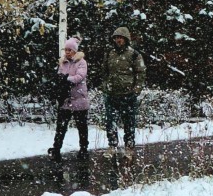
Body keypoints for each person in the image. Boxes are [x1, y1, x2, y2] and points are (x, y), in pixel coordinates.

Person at [98, 26, 146, 158]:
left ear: (126, 39)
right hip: (112, 94)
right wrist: (105, 87)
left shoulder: (134, 54)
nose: (118, 40)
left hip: (128, 95)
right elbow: (104, 72)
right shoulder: (109, 54)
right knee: (110, 121)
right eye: (116, 38)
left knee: (129, 122)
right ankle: (112, 146)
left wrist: (136, 90)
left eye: (120, 38)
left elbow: (141, 73)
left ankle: (129, 147)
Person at [48, 38, 89, 162]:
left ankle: (83, 149)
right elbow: (59, 75)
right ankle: (56, 148)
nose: (67, 52)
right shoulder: (62, 62)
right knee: (61, 126)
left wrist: (66, 79)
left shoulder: (82, 62)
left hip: (79, 98)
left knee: (81, 126)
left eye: (69, 50)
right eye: (66, 50)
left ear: (74, 50)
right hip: (65, 99)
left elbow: (80, 77)